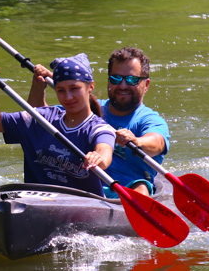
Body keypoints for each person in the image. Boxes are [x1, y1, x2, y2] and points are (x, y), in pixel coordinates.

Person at [28, 47, 170, 197]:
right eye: (116, 78)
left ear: (146, 85)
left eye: (131, 80)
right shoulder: (87, 109)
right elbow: (37, 120)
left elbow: (157, 142)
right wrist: (39, 86)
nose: (122, 86)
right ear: (109, 80)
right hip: (80, 186)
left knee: (141, 186)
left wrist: (136, 141)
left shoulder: (149, 119)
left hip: (123, 192)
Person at [0, 53, 117, 197]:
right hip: (36, 202)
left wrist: (98, 158)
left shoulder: (99, 128)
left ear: (90, 87)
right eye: (61, 90)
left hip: (83, 206)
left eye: (74, 88)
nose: (68, 97)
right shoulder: (41, 118)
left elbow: (104, 151)